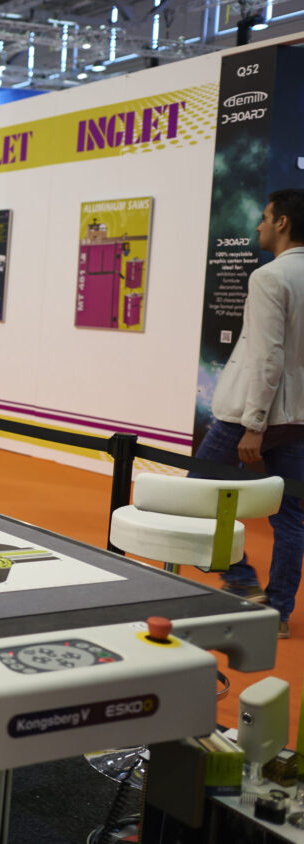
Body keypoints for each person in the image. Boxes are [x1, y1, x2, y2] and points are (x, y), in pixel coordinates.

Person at [200, 188, 304, 638]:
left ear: (282, 222)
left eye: (264, 217)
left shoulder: (269, 277)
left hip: (250, 414)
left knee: (197, 493)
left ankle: (241, 580)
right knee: (290, 515)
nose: (258, 225)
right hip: (298, 416)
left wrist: (254, 425)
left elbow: (267, 357)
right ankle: (277, 614)